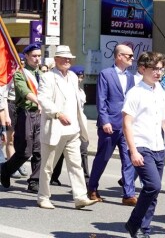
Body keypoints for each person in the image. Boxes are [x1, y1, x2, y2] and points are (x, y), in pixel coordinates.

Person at [122, 51, 165, 238]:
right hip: (141, 146)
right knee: (153, 186)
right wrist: (133, 151)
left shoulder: (160, 90)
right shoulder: (135, 92)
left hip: (158, 146)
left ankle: (144, 229)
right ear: (143, 69)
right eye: (154, 69)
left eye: (161, 69)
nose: (158, 73)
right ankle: (134, 223)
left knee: (152, 191)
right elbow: (127, 123)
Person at [35, 45, 99, 210]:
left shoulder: (72, 76)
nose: (67, 60)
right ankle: (43, 197)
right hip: (55, 128)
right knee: (48, 166)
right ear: (55, 60)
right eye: (63, 58)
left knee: (76, 164)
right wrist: (57, 114)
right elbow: (43, 98)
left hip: (73, 130)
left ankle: (80, 197)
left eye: (69, 58)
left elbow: (77, 100)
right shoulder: (48, 77)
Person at [88, 44, 138, 205]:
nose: (132, 58)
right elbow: (101, 99)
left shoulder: (131, 77)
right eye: (129, 56)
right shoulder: (106, 74)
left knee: (129, 159)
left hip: (126, 126)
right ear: (119, 56)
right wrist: (105, 121)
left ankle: (128, 194)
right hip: (109, 125)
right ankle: (92, 188)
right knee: (103, 158)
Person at [1, 43, 43, 192]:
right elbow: (24, 91)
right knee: (25, 150)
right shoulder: (21, 74)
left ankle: (34, 181)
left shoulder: (43, 74)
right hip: (26, 113)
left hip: (41, 114)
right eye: (34, 56)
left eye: (39, 56)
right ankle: (5, 169)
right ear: (26, 56)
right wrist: (38, 101)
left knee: (40, 150)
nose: (37, 59)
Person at [50, 65, 90, 185]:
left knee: (83, 150)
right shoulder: (62, 90)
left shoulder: (81, 92)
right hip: (63, 124)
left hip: (78, 126)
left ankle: (86, 179)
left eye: (81, 77)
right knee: (59, 153)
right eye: (77, 76)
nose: (79, 79)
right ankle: (51, 176)